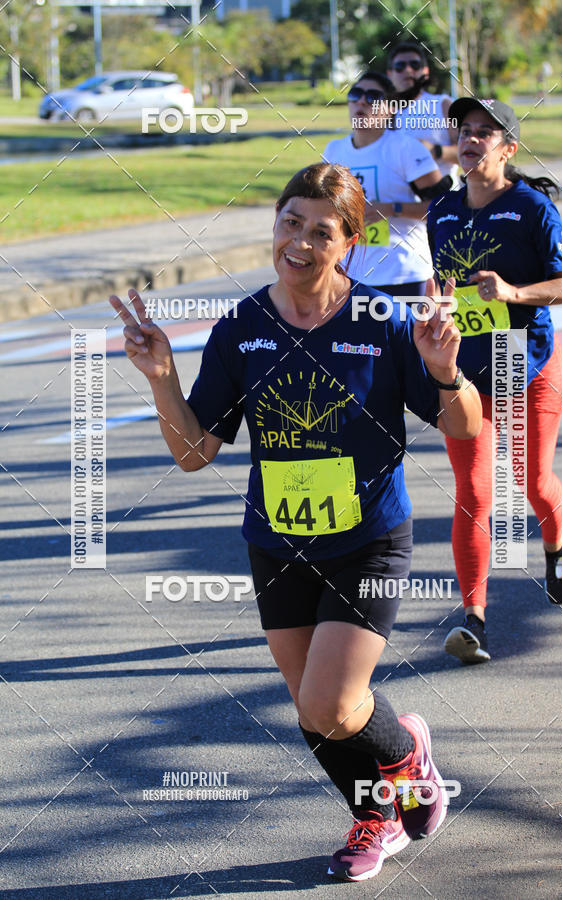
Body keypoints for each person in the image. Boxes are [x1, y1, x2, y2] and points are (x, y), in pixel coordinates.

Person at [110, 162, 482, 881]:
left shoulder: (382, 319)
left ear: (350, 242)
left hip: (369, 538)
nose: (301, 243)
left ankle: (406, 751)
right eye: (290, 223)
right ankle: (375, 816)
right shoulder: (242, 325)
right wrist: (160, 378)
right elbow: (196, 453)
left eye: (322, 231)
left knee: (332, 703)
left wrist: (443, 369)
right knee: (316, 714)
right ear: (274, 224)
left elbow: (462, 425)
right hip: (276, 544)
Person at [426, 98, 562, 664]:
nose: (470, 140)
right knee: (473, 494)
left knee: (532, 480)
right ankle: (474, 620)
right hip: (465, 374)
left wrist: (514, 294)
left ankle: (556, 538)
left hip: (526, 364)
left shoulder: (533, 207)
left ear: (508, 148)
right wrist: (436, 306)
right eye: (463, 131)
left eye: (484, 133)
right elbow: (441, 283)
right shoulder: (440, 211)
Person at [323, 72, 447, 296]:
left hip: (405, 274)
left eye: (373, 96)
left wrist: (392, 209)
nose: (361, 101)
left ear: (391, 108)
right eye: (356, 94)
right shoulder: (334, 150)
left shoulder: (405, 149)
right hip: (352, 276)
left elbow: (444, 208)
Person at [386, 42, 459, 186]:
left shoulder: (443, 104)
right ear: (390, 74)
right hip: (400, 201)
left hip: (441, 199)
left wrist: (435, 150)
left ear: (425, 72)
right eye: (400, 66)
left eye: (415, 65)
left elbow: (469, 154)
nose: (408, 70)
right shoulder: (384, 111)